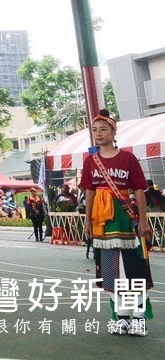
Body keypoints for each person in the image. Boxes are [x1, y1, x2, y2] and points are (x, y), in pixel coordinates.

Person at [81, 109, 154, 336]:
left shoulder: (128, 158)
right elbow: (90, 192)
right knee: (111, 271)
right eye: (95, 130)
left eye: (104, 129)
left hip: (126, 219)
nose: (99, 133)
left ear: (114, 132)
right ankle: (121, 317)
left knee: (136, 271)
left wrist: (143, 220)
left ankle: (139, 320)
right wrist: (87, 222)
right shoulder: (90, 161)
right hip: (103, 223)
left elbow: (140, 191)